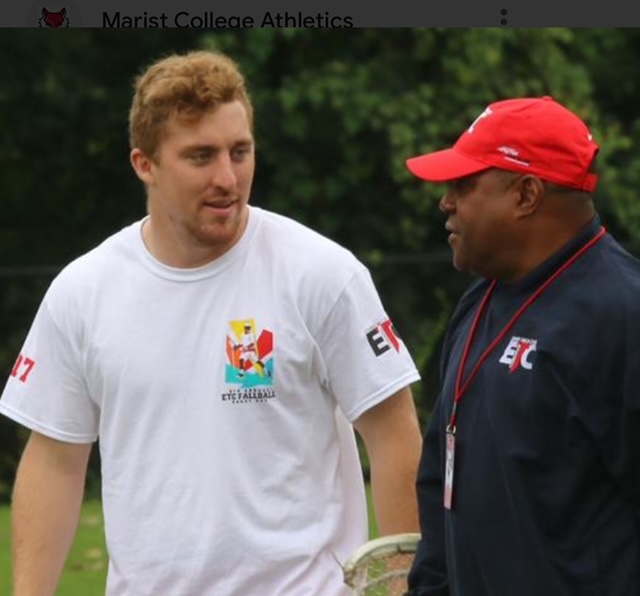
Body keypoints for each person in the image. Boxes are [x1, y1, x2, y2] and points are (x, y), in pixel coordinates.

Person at [0, 50, 423, 596]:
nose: (228, 177)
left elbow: (395, 436)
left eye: (240, 151)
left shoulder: (321, 274)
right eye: (201, 156)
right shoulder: (83, 293)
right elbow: (56, 462)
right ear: (144, 164)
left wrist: (408, 584)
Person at [403, 96, 640, 596]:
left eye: (464, 185)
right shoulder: (478, 300)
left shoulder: (621, 314)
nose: (446, 201)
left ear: (526, 194)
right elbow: (441, 480)